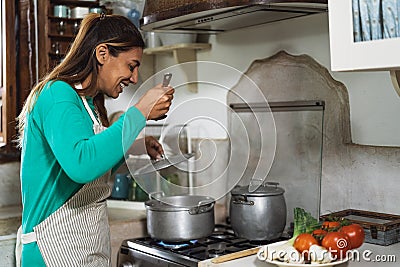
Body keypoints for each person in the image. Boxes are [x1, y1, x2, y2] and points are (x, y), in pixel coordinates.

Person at [16, 13, 174, 267]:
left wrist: (135, 144)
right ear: (102, 54)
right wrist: (141, 111)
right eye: (131, 66)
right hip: (51, 250)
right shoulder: (57, 94)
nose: (134, 78)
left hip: (82, 249)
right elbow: (82, 163)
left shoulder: (88, 104)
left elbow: (91, 153)